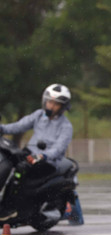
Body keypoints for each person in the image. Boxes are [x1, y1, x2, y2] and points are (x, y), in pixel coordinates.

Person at [0, 84, 73, 220]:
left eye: (55, 104)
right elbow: (19, 126)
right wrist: (2, 128)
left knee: (20, 171)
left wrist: (42, 156)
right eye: (49, 102)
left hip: (47, 161)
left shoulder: (66, 126)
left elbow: (58, 149)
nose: (51, 106)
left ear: (63, 107)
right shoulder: (39, 115)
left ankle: (8, 209)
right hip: (30, 153)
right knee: (7, 159)